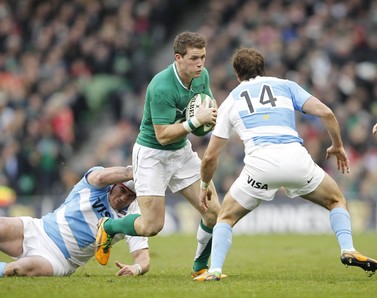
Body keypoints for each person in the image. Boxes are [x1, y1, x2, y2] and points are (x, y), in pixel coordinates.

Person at [194, 47, 377, 281]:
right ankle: (348, 249)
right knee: (336, 200)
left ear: (236, 73)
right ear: (263, 68)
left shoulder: (231, 100)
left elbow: (210, 156)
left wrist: (204, 186)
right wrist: (338, 146)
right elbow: (326, 113)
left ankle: (215, 271)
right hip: (296, 160)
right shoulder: (286, 85)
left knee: (226, 217)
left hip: (260, 167)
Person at [95, 31, 222, 277]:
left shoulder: (202, 76)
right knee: (152, 226)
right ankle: (108, 226)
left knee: (213, 211)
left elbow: (208, 106)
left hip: (181, 152)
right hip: (153, 154)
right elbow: (163, 135)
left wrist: (211, 117)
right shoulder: (161, 86)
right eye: (194, 58)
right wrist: (197, 121)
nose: (200, 64)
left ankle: (200, 268)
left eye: (203, 57)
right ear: (178, 58)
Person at [0, 165, 150, 277]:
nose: (124, 198)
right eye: (122, 191)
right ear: (115, 184)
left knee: (18, 269)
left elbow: (143, 259)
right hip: (37, 229)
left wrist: (136, 269)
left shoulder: (130, 218)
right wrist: (134, 170)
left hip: (59, 261)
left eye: (131, 196)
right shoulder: (97, 184)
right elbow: (100, 177)